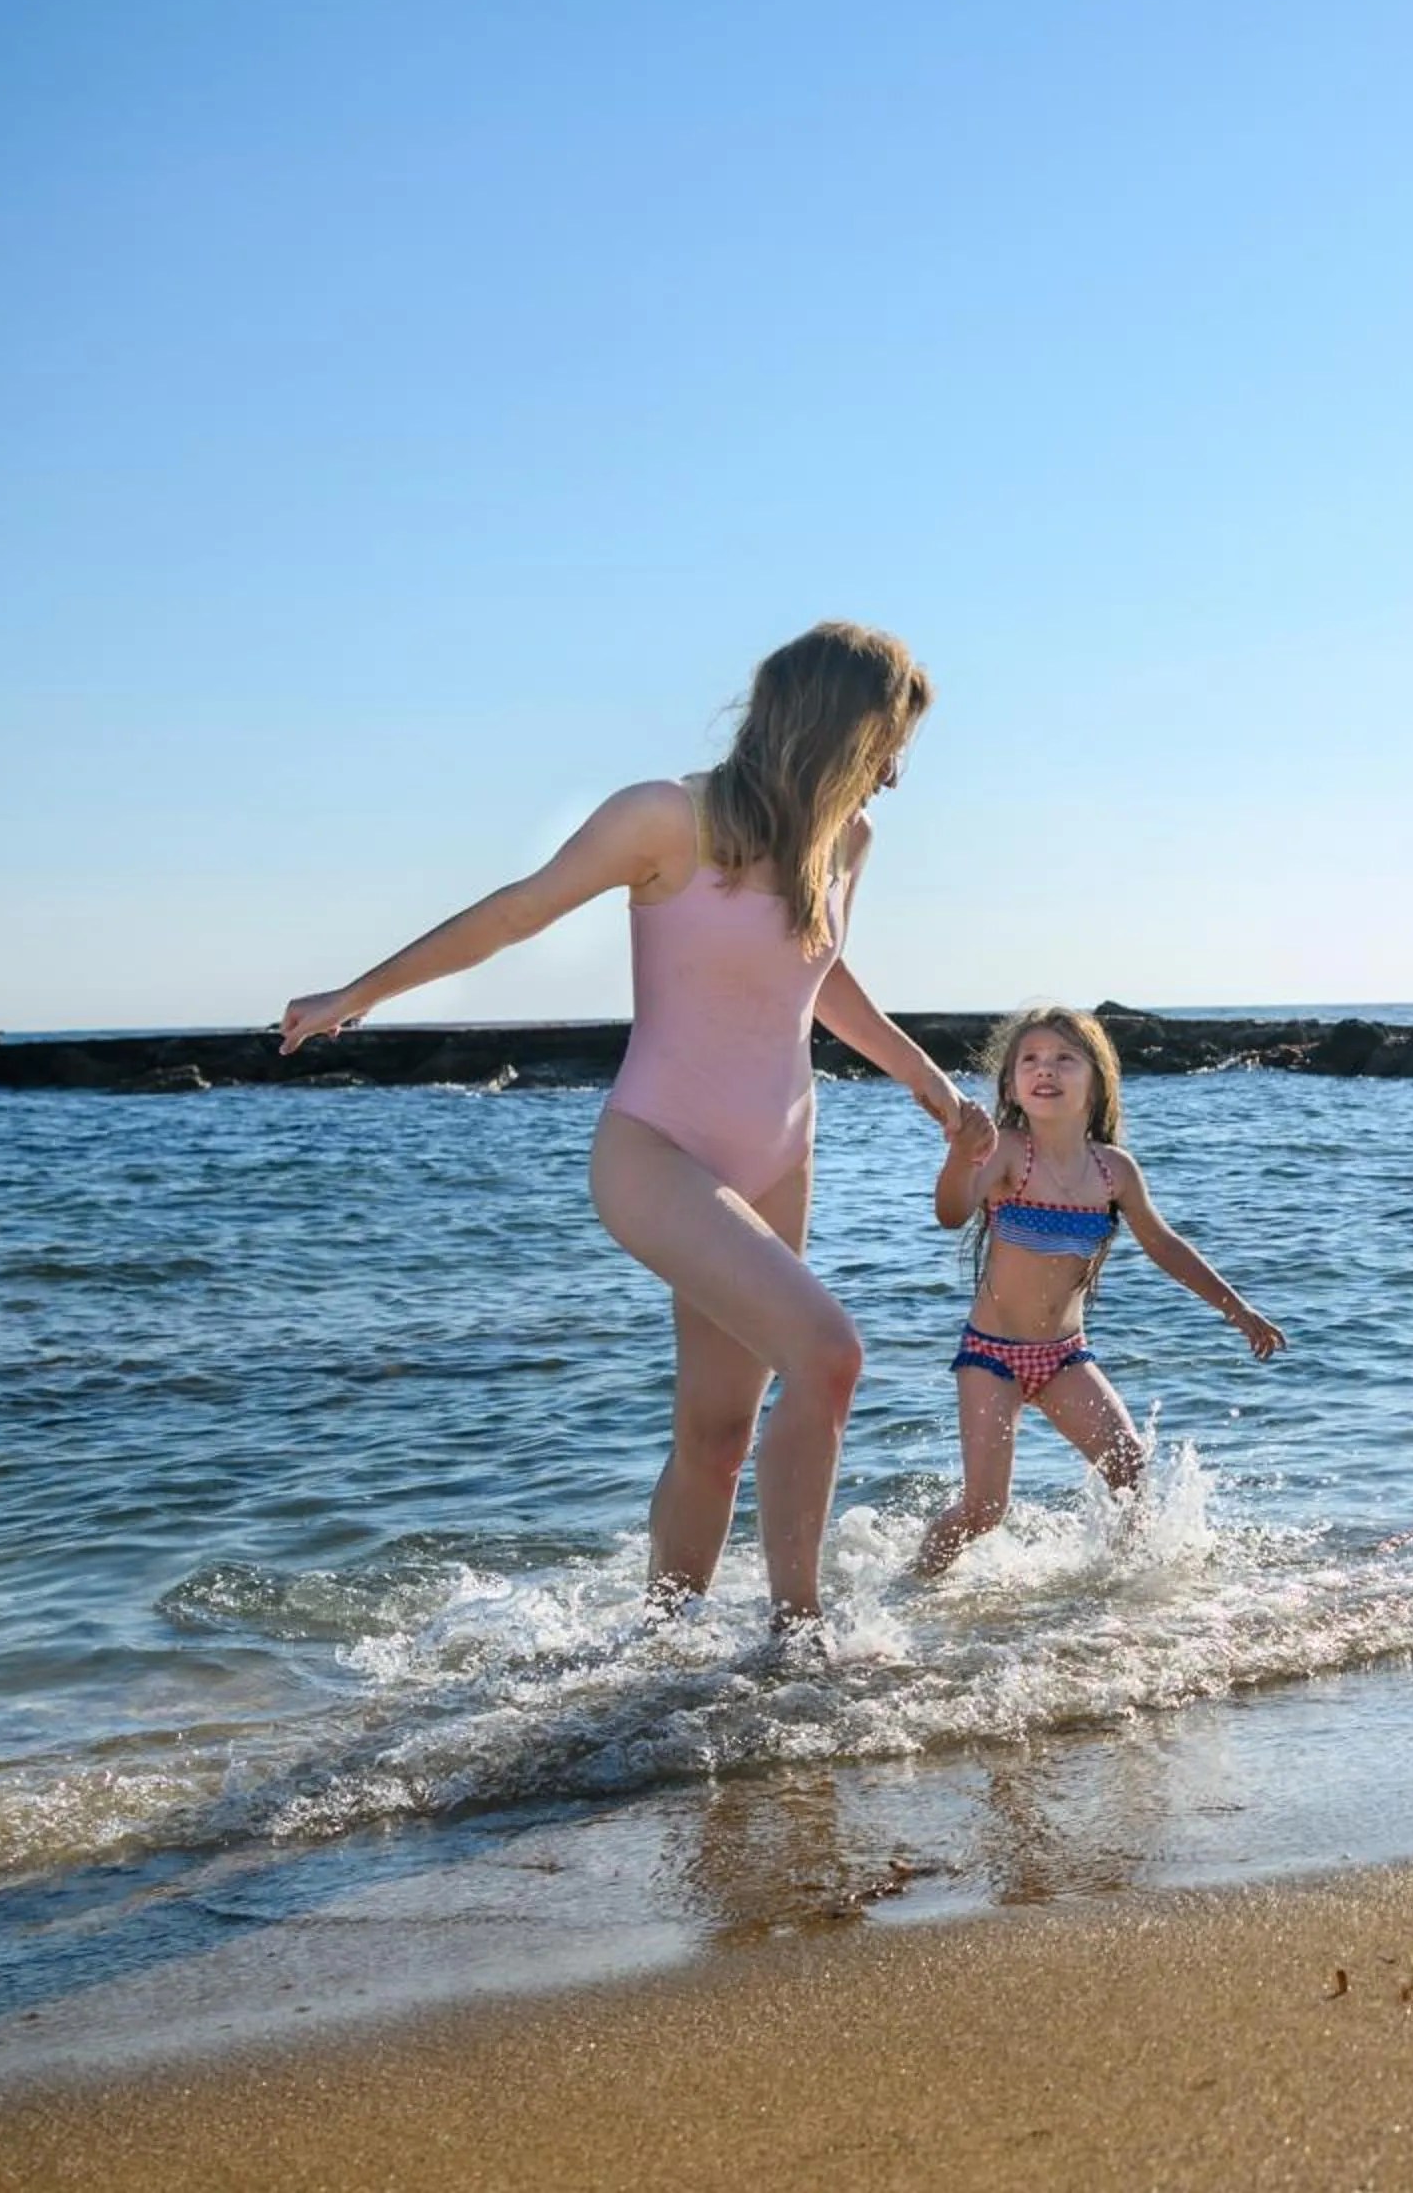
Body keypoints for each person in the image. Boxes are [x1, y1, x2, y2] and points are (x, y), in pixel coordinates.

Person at [278, 621, 992, 1626]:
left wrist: (930, 1084)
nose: (895, 774)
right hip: (657, 1145)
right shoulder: (667, 816)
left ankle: (659, 1648)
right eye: (888, 745)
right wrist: (360, 991)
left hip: (781, 1149)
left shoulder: (847, 843)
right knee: (829, 1352)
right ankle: (801, 1642)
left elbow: (822, 981)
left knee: (717, 1430)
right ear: (834, 726)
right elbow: (516, 911)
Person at [915, 1005, 1281, 1574]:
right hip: (990, 1358)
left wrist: (1238, 1310)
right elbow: (951, 1212)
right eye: (1031, 1060)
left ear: (1098, 1081)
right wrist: (962, 1156)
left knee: (1128, 1468)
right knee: (985, 1509)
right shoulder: (1008, 1152)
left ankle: (1122, 1588)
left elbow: (1164, 1245)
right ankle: (915, 1581)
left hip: (1065, 1357)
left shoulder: (1114, 1171)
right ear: (1012, 1081)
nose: (1047, 1071)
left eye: (1066, 1059)